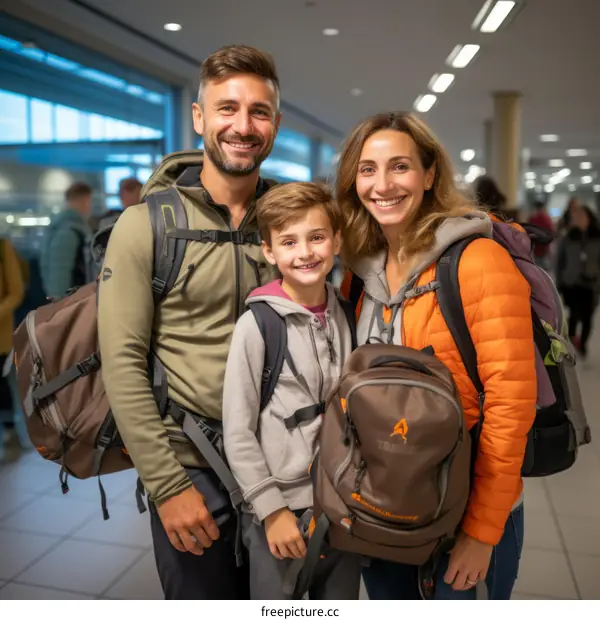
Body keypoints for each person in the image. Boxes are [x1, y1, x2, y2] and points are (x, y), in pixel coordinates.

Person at [98, 44, 282, 600]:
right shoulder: (143, 226)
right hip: (192, 468)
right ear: (199, 117)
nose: (243, 126)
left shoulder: (292, 220)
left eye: (259, 111)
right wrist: (167, 485)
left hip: (284, 466)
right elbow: (123, 364)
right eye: (227, 108)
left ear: (276, 122)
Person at [337, 111, 537, 600]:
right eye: (367, 169)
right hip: (382, 508)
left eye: (399, 167)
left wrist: (481, 532)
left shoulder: (477, 262)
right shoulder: (359, 273)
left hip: (462, 510)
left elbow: (512, 406)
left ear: (429, 175)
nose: (382, 184)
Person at [222, 182, 361, 600]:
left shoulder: (345, 312)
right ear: (269, 252)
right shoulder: (257, 325)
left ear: (336, 241)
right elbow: (238, 430)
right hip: (281, 509)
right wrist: (272, 510)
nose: (305, 252)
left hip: (340, 503)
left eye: (317, 237)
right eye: (289, 242)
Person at [556, 204, 600, 360]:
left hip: (590, 283)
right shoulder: (566, 238)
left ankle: (583, 342)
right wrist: (558, 282)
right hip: (571, 283)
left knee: (588, 317)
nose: (579, 220)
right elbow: (559, 261)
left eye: (582, 217)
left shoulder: (596, 238)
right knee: (573, 315)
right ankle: (572, 343)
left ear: (589, 219)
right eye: (576, 218)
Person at [40, 181, 92, 298]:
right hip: (71, 302)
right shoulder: (69, 232)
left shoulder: (59, 227)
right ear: (85, 200)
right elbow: (59, 275)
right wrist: (60, 307)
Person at [0, 237, 25, 460]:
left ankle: (9, 430)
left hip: (0, 333)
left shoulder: (2, 246)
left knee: (1, 385)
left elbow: (16, 291)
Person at [528, 200, 554, 269]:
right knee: (545, 266)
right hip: (544, 246)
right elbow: (551, 231)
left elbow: (528, 231)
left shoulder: (533, 218)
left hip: (536, 246)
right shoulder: (546, 219)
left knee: (537, 266)